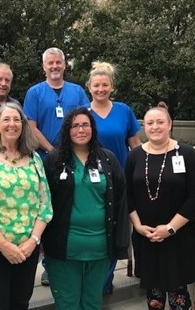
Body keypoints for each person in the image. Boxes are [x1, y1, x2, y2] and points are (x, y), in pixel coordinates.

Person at [0, 103, 53, 310]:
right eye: (6, 120)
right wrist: (4, 246)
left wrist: (33, 241)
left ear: (23, 126)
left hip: (26, 250)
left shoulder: (34, 159)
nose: (12, 124)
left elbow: (45, 204)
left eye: (17, 120)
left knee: (20, 303)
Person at [42, 107, 130, 310]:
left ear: (92, 128)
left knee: (92, 303)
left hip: (100, 247)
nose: (80, 130)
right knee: (68, 304)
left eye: (85, 125)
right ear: (67, 130)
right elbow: (43, 201)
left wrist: (121, 240)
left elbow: (120, 201)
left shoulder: (108, 159)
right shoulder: (55, 160)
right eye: (75, 126)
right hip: (65, 248)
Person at [125, 102, 195, 310]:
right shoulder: (134, 156)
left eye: (160, 122)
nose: (155, 127)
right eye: (150, 123)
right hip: (146, 235)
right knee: (154, 294)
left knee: (179, 294)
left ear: (170, 124)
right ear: (144, 127)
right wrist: (138, 226)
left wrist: (170, 229)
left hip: (178, 236)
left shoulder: (186, 154)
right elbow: (128, 195)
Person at [23, 47, 89, 285]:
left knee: (71, 207)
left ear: (64, 65)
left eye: (58, 63)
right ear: (44, 67)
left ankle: (72, 255)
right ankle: (48, 263)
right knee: (47, 211)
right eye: (50, 63)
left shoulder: (77, 91)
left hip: (76, 159)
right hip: (45, 160)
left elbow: (84, 122)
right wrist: (53, 152)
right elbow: (31, 126)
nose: (54, 67)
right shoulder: (35, 93)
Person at [85, 61, 142, 294]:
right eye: (96, 85)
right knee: (96, 231)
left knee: (115, 231)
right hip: (90, 181)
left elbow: (135, 145)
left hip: (119, 180)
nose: (100, 89)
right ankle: (92, 280)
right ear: (89, 87)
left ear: (111, 87)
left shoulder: (123, 111)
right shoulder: (82, 113)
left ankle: (104, 282)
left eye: (105, 85)